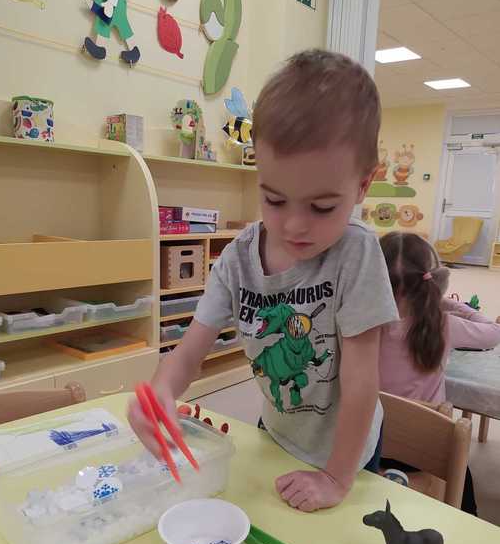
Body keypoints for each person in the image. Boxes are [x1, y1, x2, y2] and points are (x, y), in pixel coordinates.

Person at [129, 50, 398, 512]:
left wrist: (336, 478)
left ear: (363, 186)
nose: (294, 225)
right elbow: (188, 354)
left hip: (347, 453)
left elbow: (360, 383)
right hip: (276, 431)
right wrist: (160, 392)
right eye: (274, 199)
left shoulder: (356, 254)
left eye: (322, 207)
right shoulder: (237, 259)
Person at [379, 231, 500, 514]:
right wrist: (449, 303)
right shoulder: (443, 324)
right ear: (431, 282)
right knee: (460, 471)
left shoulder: (361, 325)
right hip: (425, 450)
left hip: (367, 442)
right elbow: (494, 332)